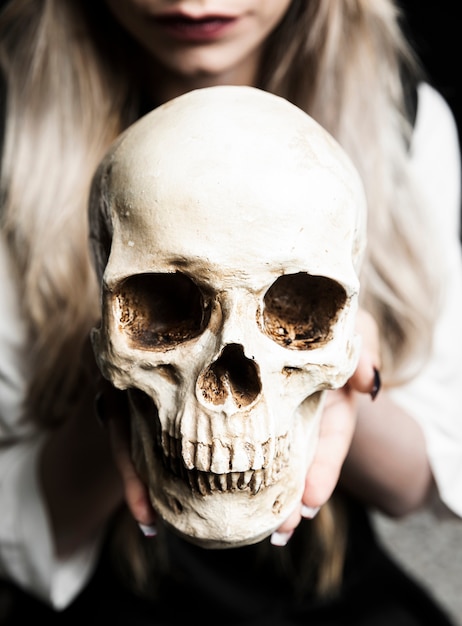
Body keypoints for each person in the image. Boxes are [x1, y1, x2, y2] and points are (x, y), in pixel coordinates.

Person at [0, 1, 461, 624]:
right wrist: (113, 398)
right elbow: (13, 534)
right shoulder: (10, 143)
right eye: (152, 296)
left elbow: (423, 481)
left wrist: (348, 367)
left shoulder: (405, 121)